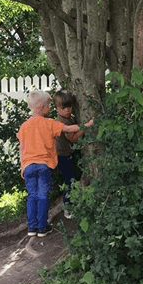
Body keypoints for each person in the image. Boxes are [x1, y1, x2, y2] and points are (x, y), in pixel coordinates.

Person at [17, 90, 92, 238]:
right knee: (43, 195)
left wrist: (22, 165)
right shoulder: (50, 123)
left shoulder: (24, 126)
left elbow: (22, 147)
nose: (50, 107)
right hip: (44, 165)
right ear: (43, 107)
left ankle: (32, 227)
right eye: (49, 105)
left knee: (32, 196)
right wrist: (88, 124)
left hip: (29, 166)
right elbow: (69, 129)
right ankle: (42, 227)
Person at [53, 90, 85, 219]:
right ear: (56, 108)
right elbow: (72, 139)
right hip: (63, 156)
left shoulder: (69, 118)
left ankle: (71, 203)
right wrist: (84, 127)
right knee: (69, 181)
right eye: (63, 107)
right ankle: (67, 208)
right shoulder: (62, 122)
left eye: (69, 107)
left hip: (67, 154)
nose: (67, 110)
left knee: (72, 179)